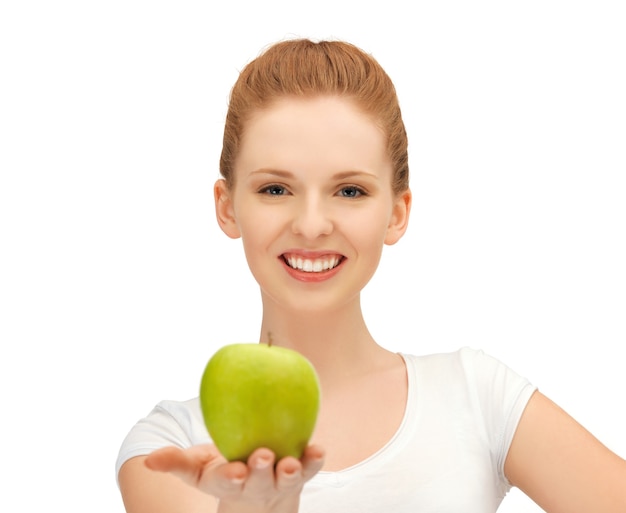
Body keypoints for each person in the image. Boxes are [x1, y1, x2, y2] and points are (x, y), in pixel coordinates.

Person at [116, 39, 626, 513]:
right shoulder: (171, 445)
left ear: (397, 213)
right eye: (275, 189)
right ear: (227, 208)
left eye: (350, 191)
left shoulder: (477, 395)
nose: (312, 224)